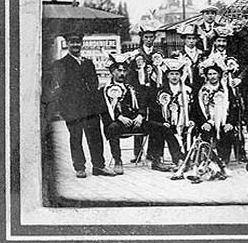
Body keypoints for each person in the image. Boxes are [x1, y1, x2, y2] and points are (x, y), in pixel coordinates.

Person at [47, 32, 114, 178]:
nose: (75, 45)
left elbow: (94, 84)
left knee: (95, 137)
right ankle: (79, 167)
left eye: (78, 42)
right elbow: (59, 88)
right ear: (67, 44)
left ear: (81, 44)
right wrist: (64, 109)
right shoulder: (60, 64)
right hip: (73, 109)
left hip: (90, 108)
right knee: (76, 138)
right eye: (72, 42)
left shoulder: (88, 63)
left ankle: (99, 166)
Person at [100, 54, 170, 173]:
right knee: (112, 127)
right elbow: (104, 110)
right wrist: (119, 117)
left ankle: (156, 160)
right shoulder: (106, 89)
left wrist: (140, 116)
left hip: (135, 122)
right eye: (118, 70)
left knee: (159, 127)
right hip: (119, 123)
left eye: (124, 71)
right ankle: (118, 160)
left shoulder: (132, 88)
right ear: (112, 72)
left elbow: (142, 104)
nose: (122, 74)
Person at [146, 59, 187, 171]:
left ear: (181, 75)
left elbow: (192, 109)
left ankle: (187, 158)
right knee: (162, 128)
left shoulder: (186, 90)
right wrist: (164, 121)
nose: (174, 77)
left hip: (182, 121)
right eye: (171, 74)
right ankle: (169, 160)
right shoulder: (160, 91)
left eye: (177, 74)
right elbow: (154, 111)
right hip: (164, 122)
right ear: (167, 76)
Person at [197, 60, 239, 164]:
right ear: (206, 76)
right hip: (209, 120)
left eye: (214, 74)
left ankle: (223, 160)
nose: (212, 76)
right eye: (210, 74)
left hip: (224, 120)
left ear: (219, 75)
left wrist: (230, 123)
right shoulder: (202, 90)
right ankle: (209, 159)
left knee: (227, 131)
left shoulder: (226, 89)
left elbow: (234, 108)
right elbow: (197, 109)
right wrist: (204, 122)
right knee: (205, 132)